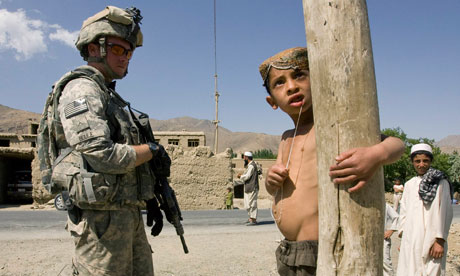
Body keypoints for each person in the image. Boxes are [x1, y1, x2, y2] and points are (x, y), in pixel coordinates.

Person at [260, 47, 405, 275]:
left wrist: (376, 156)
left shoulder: (334, 126)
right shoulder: (286, 138)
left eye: (299, 75)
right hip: (289, 249)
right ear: (272, 102)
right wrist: (271, 179)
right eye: (279, 82)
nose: (291, 86)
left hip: (323, 250)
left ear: (317, 80)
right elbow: (274, 189)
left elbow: (397, 145)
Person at [41, 6, 163, 275]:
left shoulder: (109, 96)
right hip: (100, 223)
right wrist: (151, 150)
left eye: (130, 52)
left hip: (124, 214)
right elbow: (100, 153)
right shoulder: (82, 89)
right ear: (95, 48)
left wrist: (149, 198)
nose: (126, 58)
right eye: (119, 49)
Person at [397, 143, 453, 276]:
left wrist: (440, 240)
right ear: (412, 162)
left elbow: (445, 212)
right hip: (412, 239)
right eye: (417, 161)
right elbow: (403, 212)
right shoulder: (410, 184)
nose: (421, 165)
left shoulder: (440, 182)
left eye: (425, 161)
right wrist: (404, 239)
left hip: (432, 238)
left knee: (432, 271)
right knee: (410, 271)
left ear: (431, 161)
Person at [234, 151, 259, 225]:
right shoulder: (249, 166)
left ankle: (253, 219)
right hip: (248, 187)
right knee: (248, 203)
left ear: (247, 158)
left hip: (253, 187)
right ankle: (251, 218)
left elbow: (247, 176)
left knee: (252, 203)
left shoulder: (252, 166)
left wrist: (240, 176)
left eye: (244, 157)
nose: (243, 159)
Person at [383, 204, 399, 276]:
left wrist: (391, 230)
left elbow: (396, 217)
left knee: (386, 263)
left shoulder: (384, 204)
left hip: (383, 238)